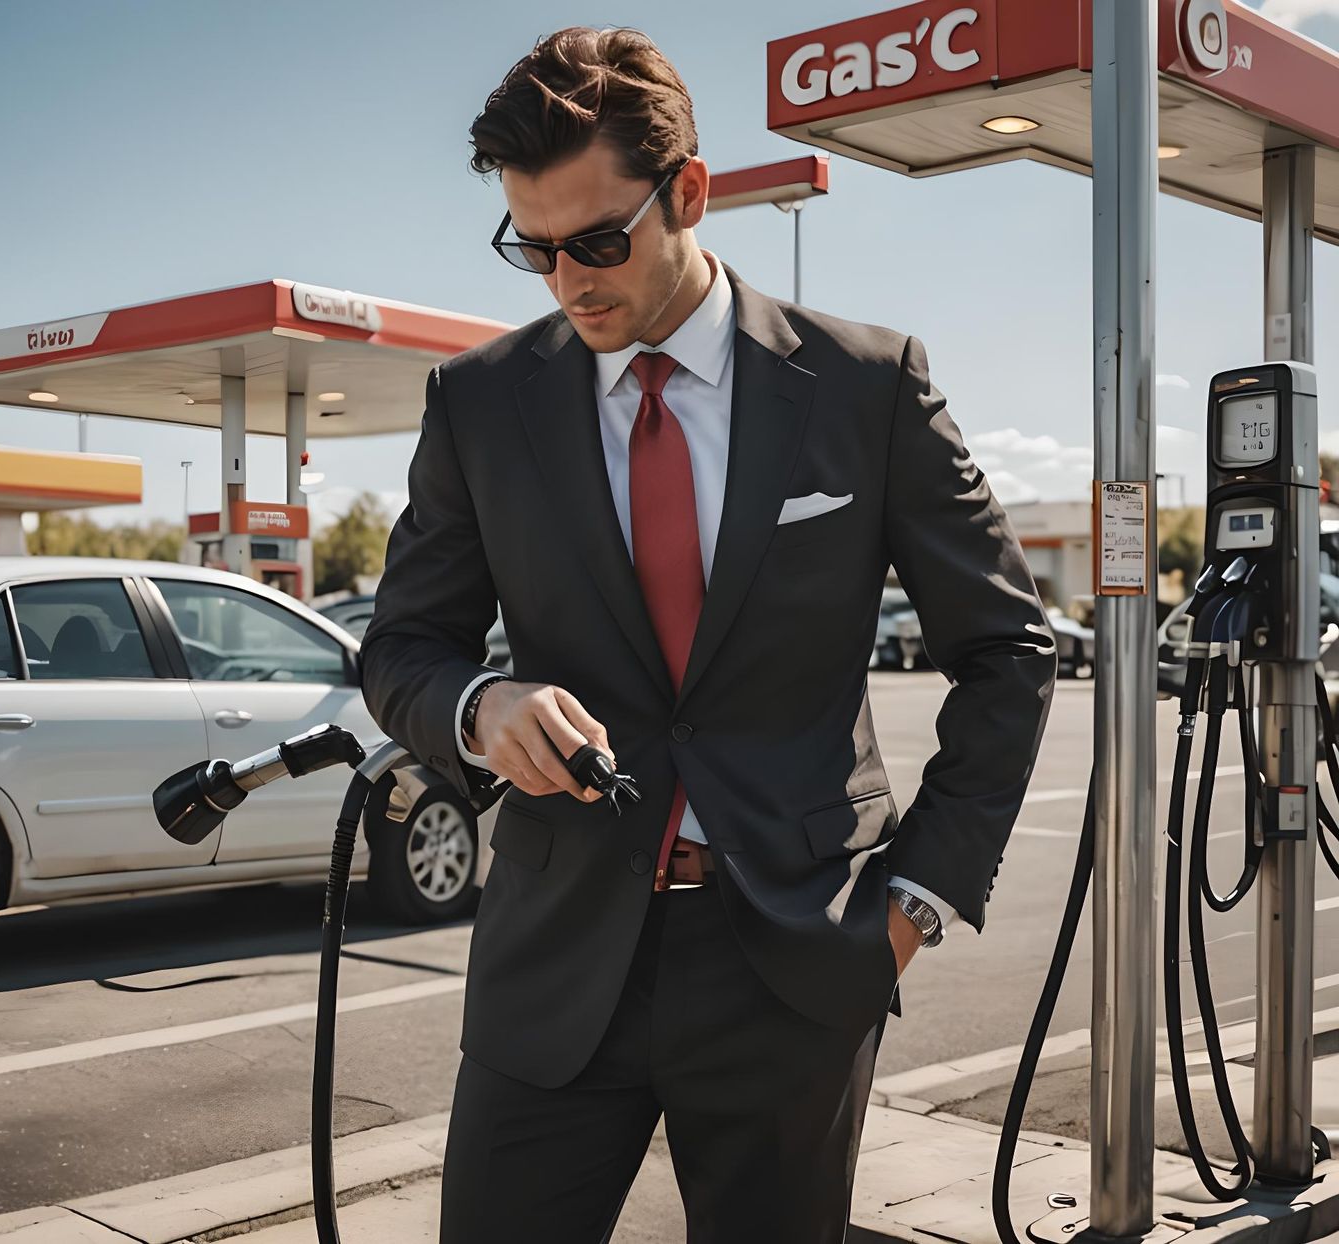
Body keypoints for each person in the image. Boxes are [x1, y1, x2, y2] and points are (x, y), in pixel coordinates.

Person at [358, 25, 1056, 1244]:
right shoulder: (477, 402)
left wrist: (916, 903)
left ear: (689, 190)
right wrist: (480, 707)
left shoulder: (864, 386)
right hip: (554, 961)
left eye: (596, 242)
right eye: (533, 247)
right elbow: (403, 645)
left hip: (798, 963)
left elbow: (1006, 651)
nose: (568, 280)